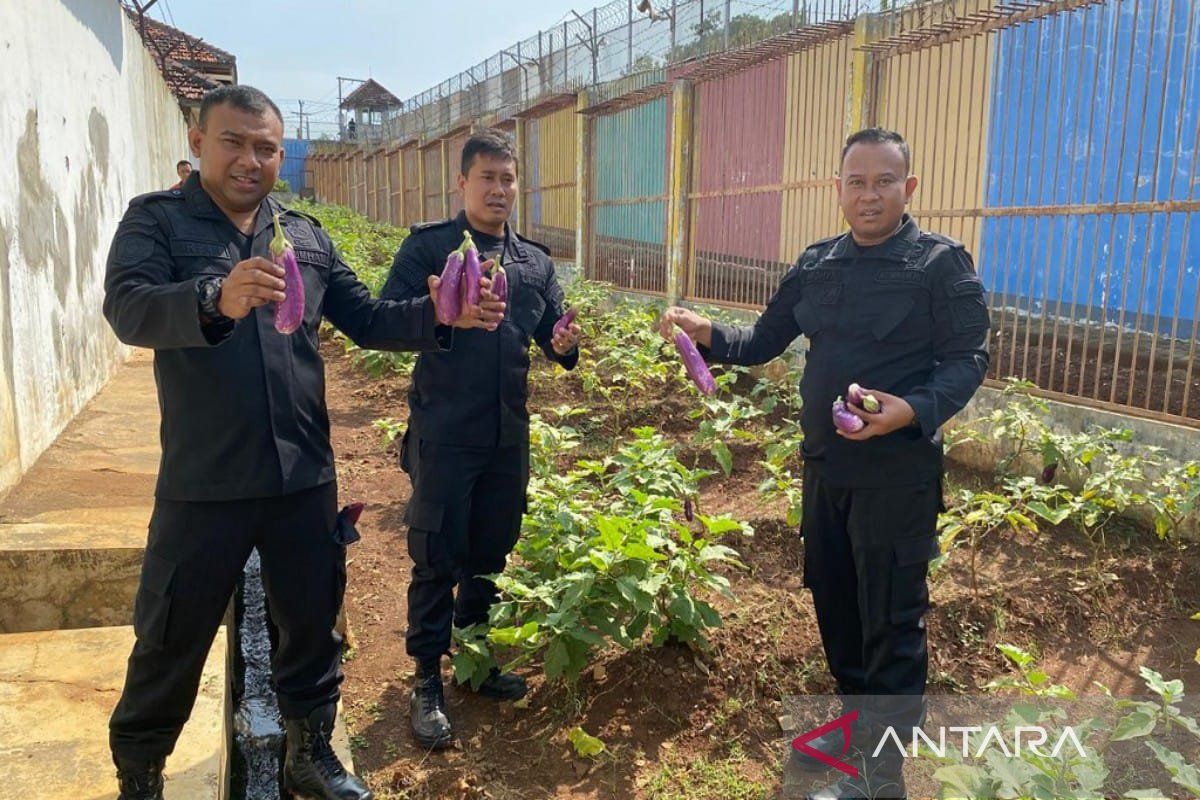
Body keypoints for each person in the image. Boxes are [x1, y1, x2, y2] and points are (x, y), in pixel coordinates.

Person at [103, 84, 503, 800]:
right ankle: (140, 775)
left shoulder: (306, 236)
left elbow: (372, 319)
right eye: (234, 142)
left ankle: (309, 755)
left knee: (312, 625)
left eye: (266, 147)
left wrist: (446, 310)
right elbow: (128, 308)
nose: (251, 160)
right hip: (205, 481)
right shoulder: (159, 224)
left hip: (302, 477)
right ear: (198, 143)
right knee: (171, 637)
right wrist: (211, 298)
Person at [658, 128, 990, 800]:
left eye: (885, 182)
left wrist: (911, 409)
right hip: (826, 474)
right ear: (836, 188)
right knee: (837, 610)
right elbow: (763, 340)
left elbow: (969, 359)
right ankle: (852, 729)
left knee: (891, 626)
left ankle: (881, 776)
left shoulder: (939, 265)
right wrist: (709, 337)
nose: (870, 195)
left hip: (896, 481)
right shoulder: (816, 264)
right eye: (857, 182)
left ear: (910, 188)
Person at [380, 129, 582, 750]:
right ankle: (426, 682)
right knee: (436, 552)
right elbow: (387, 317)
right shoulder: (432, 250)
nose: (499, 189)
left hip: (505, 434)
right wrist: (440, 312)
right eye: (487, 177)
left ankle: (472, 658)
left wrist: (565, 343)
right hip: (445, 431)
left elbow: (553, 332)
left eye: (508, 178)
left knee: (492, 546)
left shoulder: (534, 262)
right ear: (462, 183)